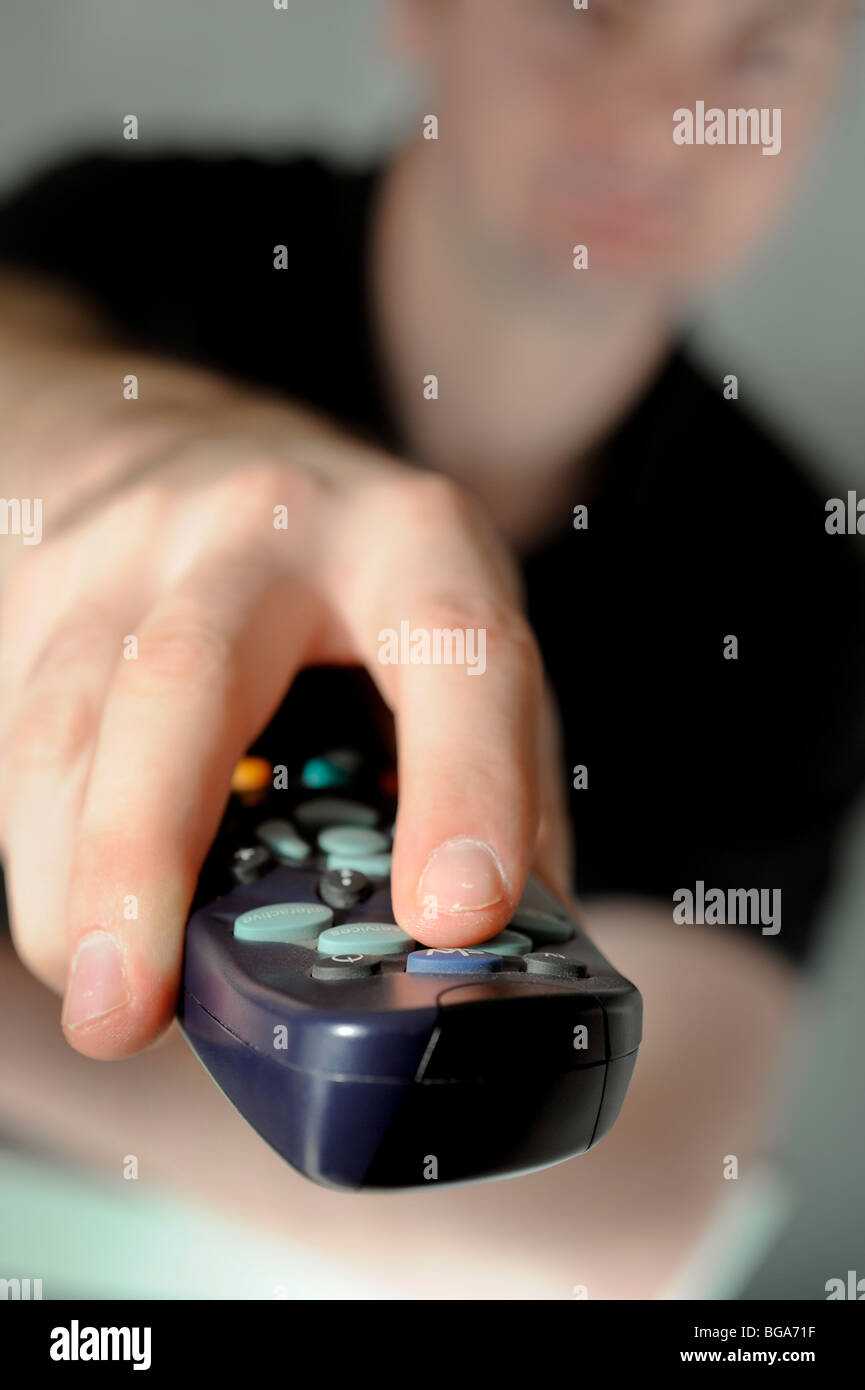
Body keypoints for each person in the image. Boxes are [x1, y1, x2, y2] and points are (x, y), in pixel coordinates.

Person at [0, 0, 862, 1297]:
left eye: (760, 51)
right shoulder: (127, 231)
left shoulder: (792, 574)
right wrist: (127, 457)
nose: (661, 121)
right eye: (586, 14)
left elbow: (630, 1221)